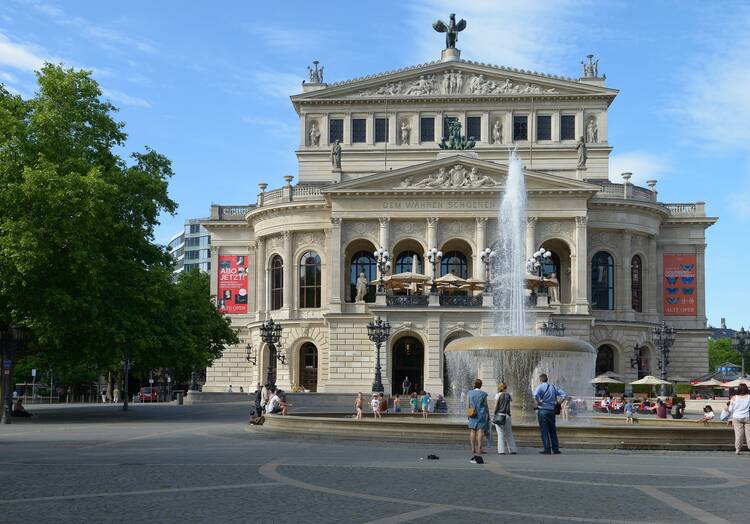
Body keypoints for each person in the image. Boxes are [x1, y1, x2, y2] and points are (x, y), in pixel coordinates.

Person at [533, 373, 567, 454]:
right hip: (552, 411)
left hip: (543, 410)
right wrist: (559, 403)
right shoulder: (553, 387)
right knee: (552, 430)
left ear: (540, 380)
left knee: (544, 430)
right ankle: (555, 449)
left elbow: (535, 395)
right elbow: (564, 395)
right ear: (547, 379)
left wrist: (539, 402)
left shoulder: (540, 386)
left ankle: (547, 449)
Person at [467, 379, 489, 458]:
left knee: (472, 431)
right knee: (480, 431)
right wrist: (488, 415)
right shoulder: (483, 394)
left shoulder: (469, 393)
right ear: (480, 385)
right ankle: (480, 448)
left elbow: (468, 404)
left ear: (474, 385)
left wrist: (468, 414)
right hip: (481, 414)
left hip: (472, 413)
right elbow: (486, 406)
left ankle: (473, 448)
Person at [493, 382, 517, 455]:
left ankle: (501, 450)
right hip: (507, 415)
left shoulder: (498, 395)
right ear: (505, 387)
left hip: (500, 415)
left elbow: (496, 406)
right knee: (509, 433)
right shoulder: (508, 395)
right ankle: (513, 450)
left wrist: (494, 413)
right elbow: (509, 402)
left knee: (500, 434)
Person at [728, 383, 750, 455]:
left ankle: (737, 449)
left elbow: (730, 410)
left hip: (737, 417)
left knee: (738, 434)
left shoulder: (734, 398)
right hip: (747, 416)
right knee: (749, 434)